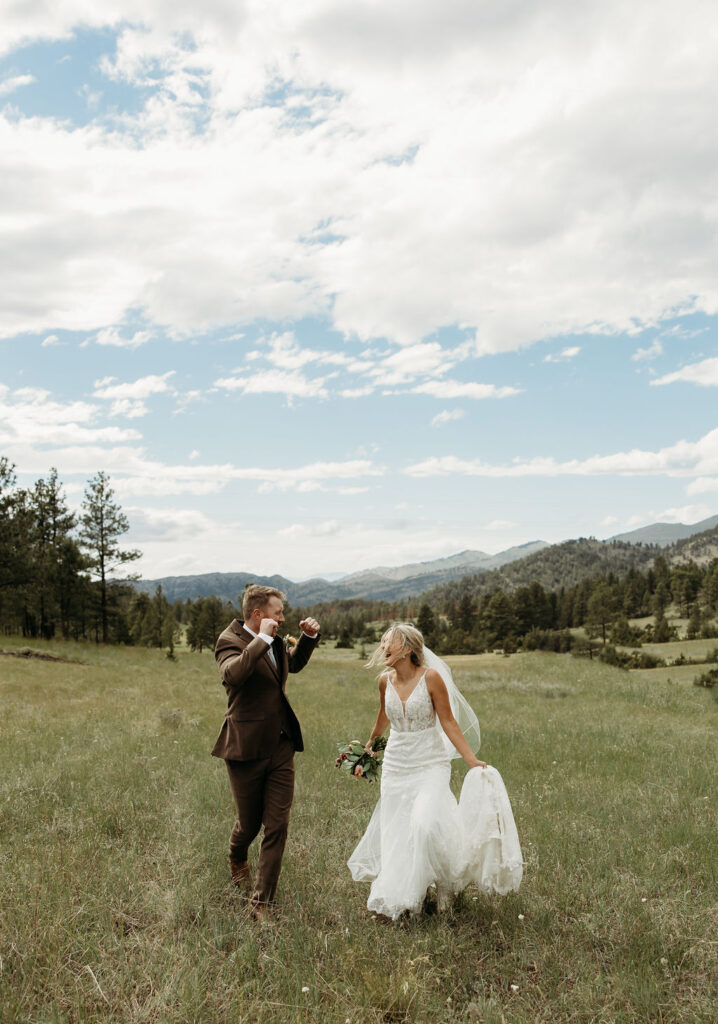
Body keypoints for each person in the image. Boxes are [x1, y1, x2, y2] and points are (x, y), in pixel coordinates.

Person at [348, 623, 522, 920]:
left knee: (425, 824)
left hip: (430, 764)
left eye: (389, 643)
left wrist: (471, 760)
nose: (383, 648)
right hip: (396, 765)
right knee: (398, 829)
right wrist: (368, 749)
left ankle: (444, 885)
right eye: (382, 643)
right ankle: (410, 896)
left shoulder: (431, 679)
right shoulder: (383, 681)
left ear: (407, 649)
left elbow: (449, 723)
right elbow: (382, 717)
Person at [212, 585, 320, 920]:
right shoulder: (229, 641)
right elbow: (234, 674)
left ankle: (261, 902)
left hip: (280, 744)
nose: (283, 618)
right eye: (278, 612)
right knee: (250, 823)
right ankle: (236, 855)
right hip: (244, 746)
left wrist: (307, 639)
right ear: (258, 614)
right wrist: (261, 640)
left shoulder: (274, 639)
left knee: (277, 824)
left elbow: (291, 665)